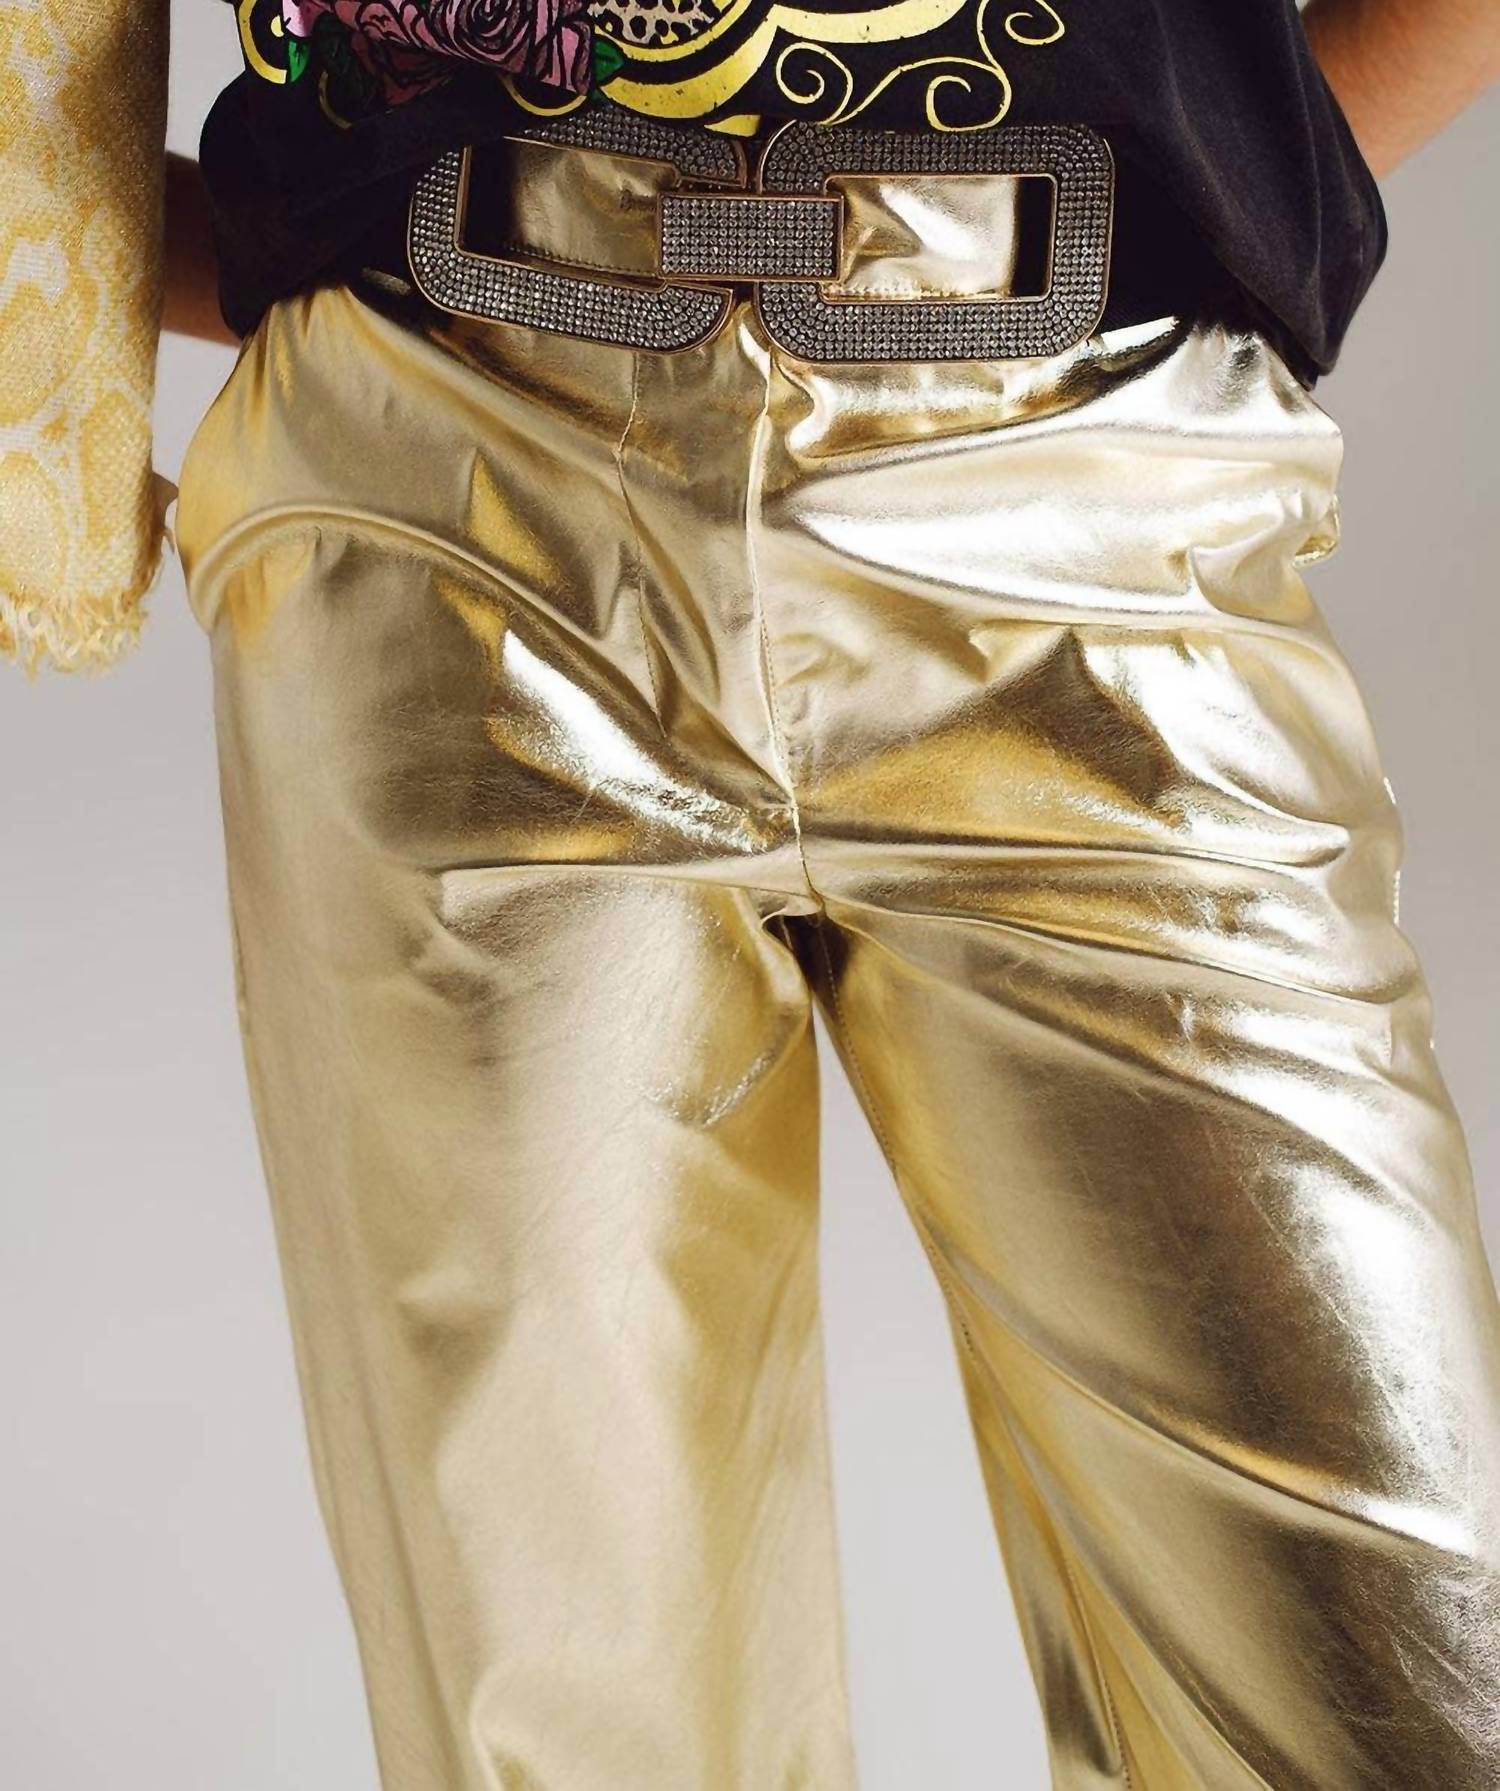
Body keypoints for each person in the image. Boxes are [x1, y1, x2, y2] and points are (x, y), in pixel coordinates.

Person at [5, 2, 1500, 1785]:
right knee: (569, 1715)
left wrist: (1220, 167)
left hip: (1089, 473)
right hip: (449, 480)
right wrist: (291, 238)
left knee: (1413, 1694)